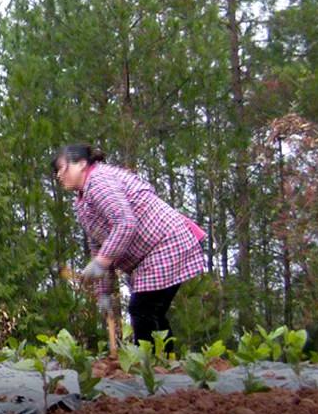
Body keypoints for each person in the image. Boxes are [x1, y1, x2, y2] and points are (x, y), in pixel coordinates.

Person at [52, 144, 207, 347]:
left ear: (81, 164)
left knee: (143, 309)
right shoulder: (83, 203)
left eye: (62, 169)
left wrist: (99, 263)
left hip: (165, 243)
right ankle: (166, 363)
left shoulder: (99, 181)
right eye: (56, 172)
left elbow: (125, 223)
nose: (58, 176)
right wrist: (104, 293)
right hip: (149, 256)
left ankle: (152, 366)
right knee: (151, 312)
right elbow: (99, 247)